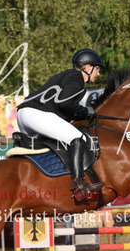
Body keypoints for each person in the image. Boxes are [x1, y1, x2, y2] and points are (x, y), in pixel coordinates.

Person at [17, 49, 105, 199]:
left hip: (24, 115)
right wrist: (86, 111)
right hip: (36, 114)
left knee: (53, 147)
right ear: (88, 67)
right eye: (97, 69)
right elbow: (65, 103)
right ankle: (79, 184)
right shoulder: (76, 77)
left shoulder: (67, 76)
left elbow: (62, 107)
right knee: (78, 138)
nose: (98, 73)